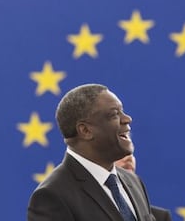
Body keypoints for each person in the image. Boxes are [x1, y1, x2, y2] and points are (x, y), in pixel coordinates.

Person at [27, 83, 155, 221]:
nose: (127, 119)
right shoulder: (52, 196)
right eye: (114, 114)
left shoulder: (133, 181)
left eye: (122, 111)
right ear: (85, 131)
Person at [116, 154, 173, 221]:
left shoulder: (160, 217)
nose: (129, 158)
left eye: (132, 153)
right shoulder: (101, 213)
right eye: (119, 152)